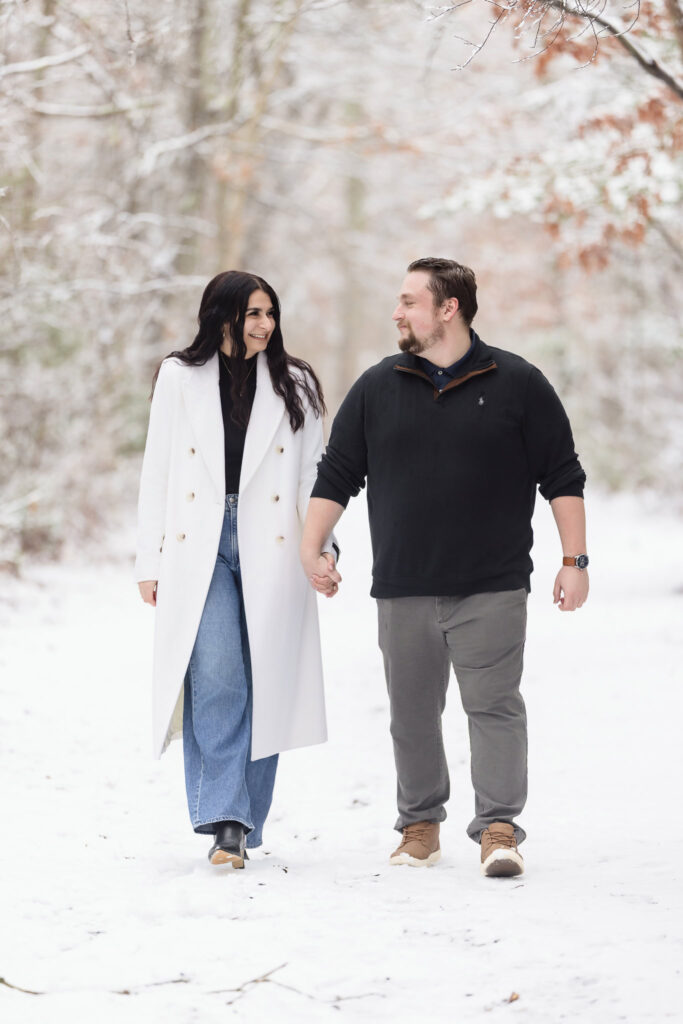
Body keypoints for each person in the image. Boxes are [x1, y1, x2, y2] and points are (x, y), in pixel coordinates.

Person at [301, 257, 588, 878]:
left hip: (493, 585)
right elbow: (338, 475)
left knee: (494, 708)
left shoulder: (518, 382)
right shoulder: (377, 387)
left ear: (448, 308)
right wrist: (312, 545)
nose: (398, 312)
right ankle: (420, 827)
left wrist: (575, 559)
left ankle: (499, 829)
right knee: (410, 714)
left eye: (409, 301)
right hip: (404, 587)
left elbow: (562, 473)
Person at [135, 270, 338, 868]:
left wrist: (323, 547)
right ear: (221, 315)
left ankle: (243, 818)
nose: (265, 324)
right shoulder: (178, 376)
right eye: (253, 313)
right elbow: (157, 471)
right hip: (197, 542)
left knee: (266, 679)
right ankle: (225, 819)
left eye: (271, 313)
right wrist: (151, 559)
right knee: (219, 674)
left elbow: (312, 476)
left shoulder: (295, 381)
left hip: (272, 542)